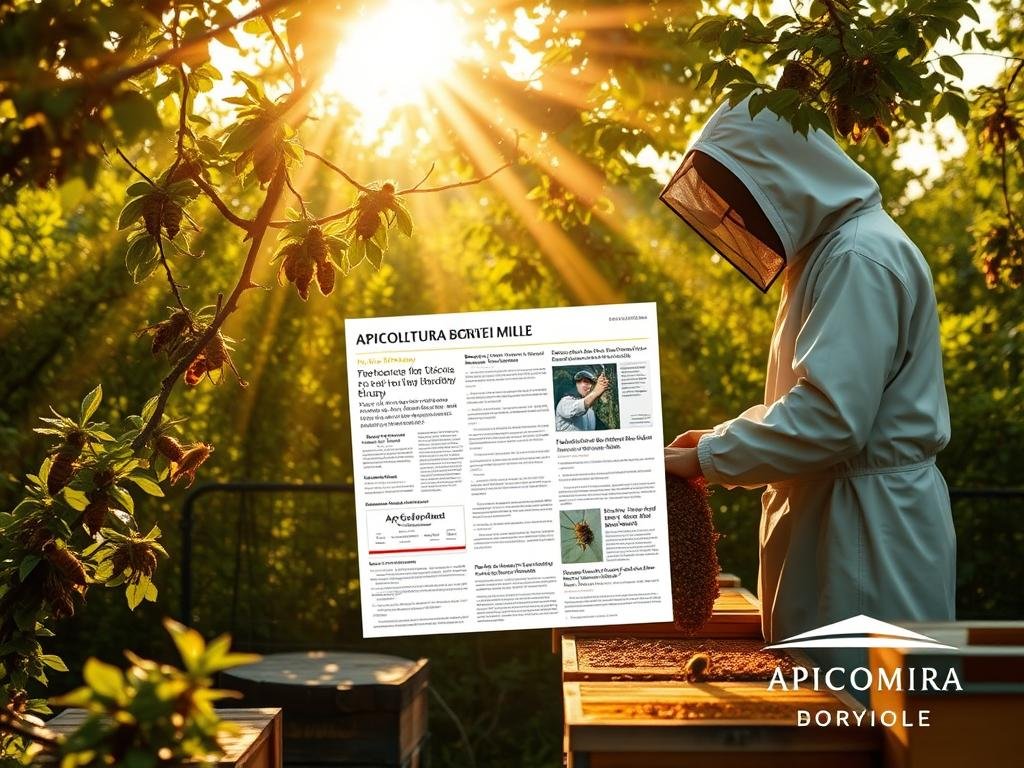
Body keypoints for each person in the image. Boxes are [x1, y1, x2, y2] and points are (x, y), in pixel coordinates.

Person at [661, 95, 957, 656]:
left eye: (745, 200)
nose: (742, 219)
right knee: (832, 719)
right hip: (842, 519)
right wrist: (716, 441)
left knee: (868, 725)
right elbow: (815, 400)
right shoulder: (833, 254)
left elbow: (830, 419)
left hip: (866, 538)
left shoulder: (857, 258)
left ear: (784, 179)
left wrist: (707, 458)